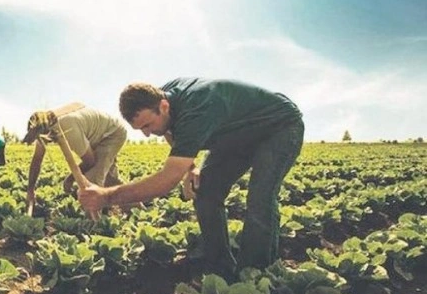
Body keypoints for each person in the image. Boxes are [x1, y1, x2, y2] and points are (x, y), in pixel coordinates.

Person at [78, 78, 304, 274]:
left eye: (148, 125)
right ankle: (219, 265)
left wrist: (106, 196)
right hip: (234, 135)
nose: (147, 134)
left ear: (163, 106)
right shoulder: (163, 98)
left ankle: (255, 274)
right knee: (204, 191)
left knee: (260, 197)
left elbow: (167, 180)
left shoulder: (197, 108)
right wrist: (191, 168)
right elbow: (169, 130)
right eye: (141, 129)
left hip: (278, 128)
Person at [23, 105, 127, 214]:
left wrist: (70, 179)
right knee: (110, 180)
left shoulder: (67, 128)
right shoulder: (45, 127)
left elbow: (90, 161)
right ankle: (137, 209)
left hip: (111, 134)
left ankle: (94, 224)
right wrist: (30, 190)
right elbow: (37, 160)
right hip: (97, 135)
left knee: (92, 180)